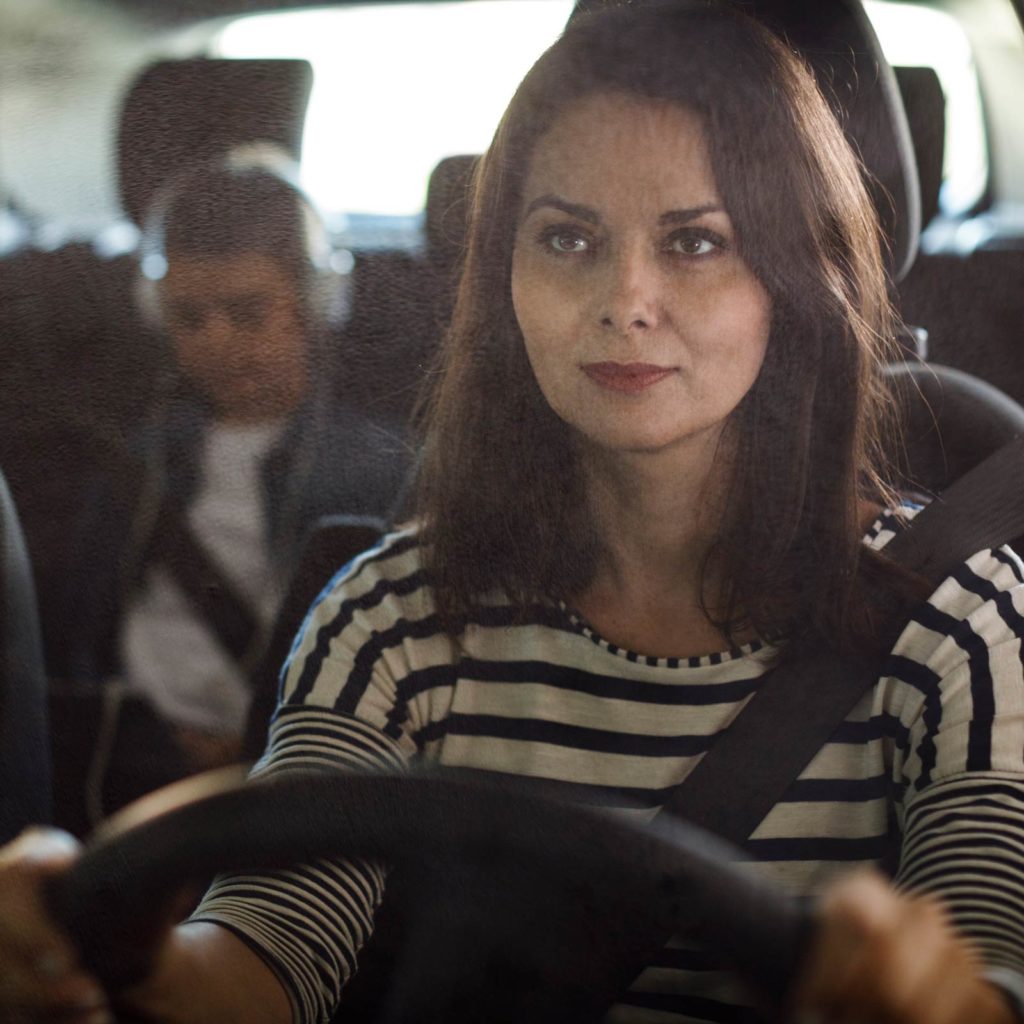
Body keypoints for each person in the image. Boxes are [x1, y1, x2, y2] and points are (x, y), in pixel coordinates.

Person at [3, 5, 1024, 1023]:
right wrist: (114, 959)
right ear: (506, 281)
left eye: (697, 242)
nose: (625, 297)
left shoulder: (962, 626)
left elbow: (992, 963)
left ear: (794, 285)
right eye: (567, 237)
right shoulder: (390, 621)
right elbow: (269, 951)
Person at [51, 146, 408, 792]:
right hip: (126, 756)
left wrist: (261, 747)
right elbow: (82, 624)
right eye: (189, 317)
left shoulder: (380, 468)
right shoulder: (142, 460)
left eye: (247, 312)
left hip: (292, 764)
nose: (214, 340)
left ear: (314, 303)